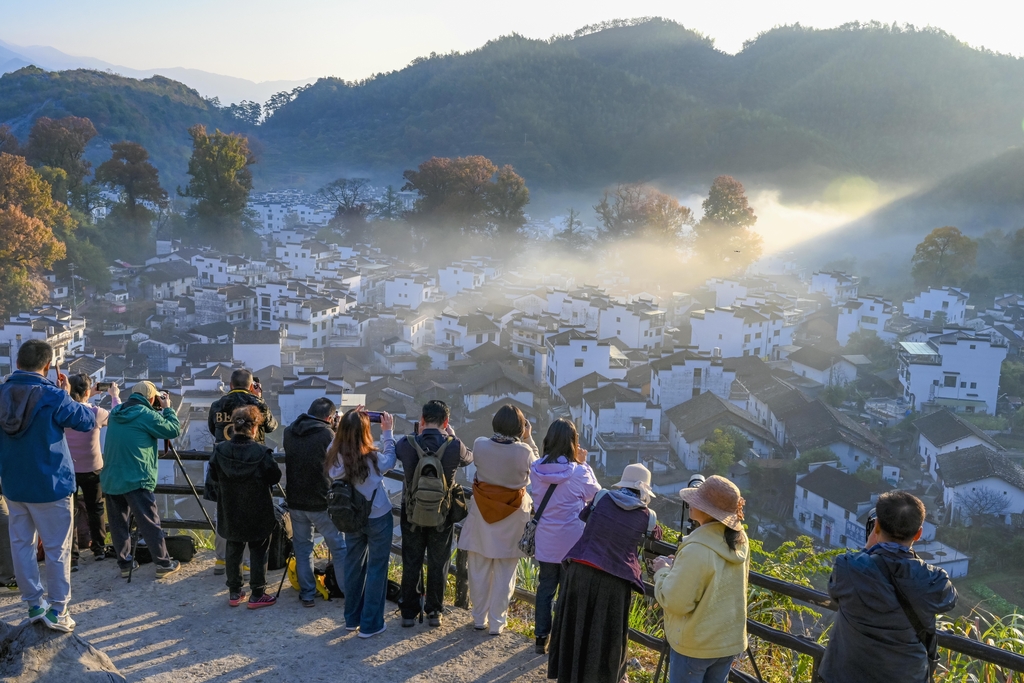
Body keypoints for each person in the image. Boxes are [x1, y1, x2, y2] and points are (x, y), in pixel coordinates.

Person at [0, 340, 97, 632]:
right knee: (57, 549)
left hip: (14, 484)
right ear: (46, 366)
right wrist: (67, 394)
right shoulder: (52, 396)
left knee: (22, 545)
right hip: (51, 484)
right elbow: (86, 421)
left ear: (17, 363)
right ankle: (57, 610)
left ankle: (33, 604)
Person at [820, 490, 958, 683]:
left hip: (844, 675)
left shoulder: (847, 566)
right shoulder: (934, 580)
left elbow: (836, 594)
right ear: (918, 533)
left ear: (876, 527)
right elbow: (950, 600)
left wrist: (867, 550)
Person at [548, 463, 661, 683]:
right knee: (607, 633)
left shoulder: (601, 498)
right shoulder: (648, 516)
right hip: (615, 581)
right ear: (645, 491)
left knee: (574, 623)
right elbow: (655, 535)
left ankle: (568, 675)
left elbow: (585, 516)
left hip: (580, 570)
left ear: (623, 483)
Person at [652, 475, 750, 683]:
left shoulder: (697, 548)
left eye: (697, 501)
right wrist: (681, 565)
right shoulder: (740, 541)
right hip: (727, 641)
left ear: (707, 510)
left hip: (696, 645)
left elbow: (676, 601)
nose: (690, 504)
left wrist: (662, 571)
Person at [457, 405, 538, 635]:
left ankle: (478, 618)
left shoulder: (480, 445)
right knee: (505, 573)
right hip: (513, 517)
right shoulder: (524, 452)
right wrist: (529, 438)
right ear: (520, 428)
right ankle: (497, 622)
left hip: (483, 512)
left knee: (478, 568)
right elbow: (538, 468)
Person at [395, 399, 473, 628]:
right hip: (442, 516)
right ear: (446, 421)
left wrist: (416, 434)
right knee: (438, 563)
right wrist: (453, 435)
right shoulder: (453, 445)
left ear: (421, 420)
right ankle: (434, 612)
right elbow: (469, 457)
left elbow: (396, 451)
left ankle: (408, 613)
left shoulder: (407, 443)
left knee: (411, 561)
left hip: (411, 515)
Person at [529, 418, 601, 654]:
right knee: (567, 592)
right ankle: (560, 641)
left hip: (545, 539)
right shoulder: (579, 472)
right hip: (571, 541)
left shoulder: (536, 468)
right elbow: (595, 496)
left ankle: (541, 637)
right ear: (573, 443)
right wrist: (584, 463)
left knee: (545, 587)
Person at [326, 408, 396, 637]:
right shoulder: (373, 458)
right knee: (377, 568)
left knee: (354, 566)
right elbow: (391, 458)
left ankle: (351, 618)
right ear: (365, 432)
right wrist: (387, 432)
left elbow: (342, 440)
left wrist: (349, 419)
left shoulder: (333, 453)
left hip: (351, 516)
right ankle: (371, 624)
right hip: (378, 516)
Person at [101, 381, 182, 580]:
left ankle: (125, 563)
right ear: (152, 398)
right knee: (149, 521)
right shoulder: (146, 415)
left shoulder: (117, 411)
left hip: (111, 476)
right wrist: (168, 409)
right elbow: (172, 430)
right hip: (136, 475)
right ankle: (163, 563)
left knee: (118, 523)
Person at [206, 406, 283, 609]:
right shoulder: (261, 452)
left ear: (234, 426)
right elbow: (275, 476)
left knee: (233, 547)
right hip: (258, 508)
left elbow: (213, 476)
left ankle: (234, 592)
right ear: (255, 427)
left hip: (230, 507)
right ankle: (257, 594)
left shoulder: (220, 450)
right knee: (259, 549)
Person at [208, 369, 278, 576]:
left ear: (230, 385)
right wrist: (260, 398)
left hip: (223, 464)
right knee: (253, 514)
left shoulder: (217, 405)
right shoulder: (257, 403)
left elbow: (213, 429)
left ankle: (221, 560)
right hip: (253, 464)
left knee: (223, 512)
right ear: (250, 385)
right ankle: (248, 564)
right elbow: (272, 426)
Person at [283, 397, 347, 608]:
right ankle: (348, 592)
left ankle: (308, 594)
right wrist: (338, 432)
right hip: (321, 501)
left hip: (295, 500)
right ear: (329, 417)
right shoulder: (326, 434)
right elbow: (338, 463)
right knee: (338, 547)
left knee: (302, 548)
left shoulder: (289, 431)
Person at [66, 374, 120, 565]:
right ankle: (98, 548)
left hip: (68, 469)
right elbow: (117, 416)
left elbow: (76, 404)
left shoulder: (63, 412)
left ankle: (72, 556)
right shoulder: (96, 413)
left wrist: (89, 394)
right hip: (92, 468)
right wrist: (114, 396)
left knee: (68, 512)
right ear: (87, 391)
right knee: (96, 508)